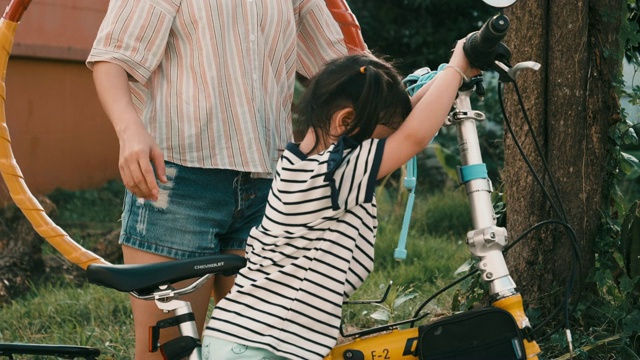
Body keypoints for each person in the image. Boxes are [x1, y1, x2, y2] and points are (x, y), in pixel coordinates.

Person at [86, 1, 363, 359]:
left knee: (268, 351)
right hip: (178, 186)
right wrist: (130, 132)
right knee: (171, 355)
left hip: (268, 187)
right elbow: (112, 59)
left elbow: (344, 69)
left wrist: (437, 83)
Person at [202, 40, 480, 359]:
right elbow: (412, 137)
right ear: (345, 123)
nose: (386, 155)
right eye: (380, 144)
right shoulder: (334, 174)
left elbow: (405, 128)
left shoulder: (303, 167)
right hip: (262, 346)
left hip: (245, 339)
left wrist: (450, 76)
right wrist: (457, 64)